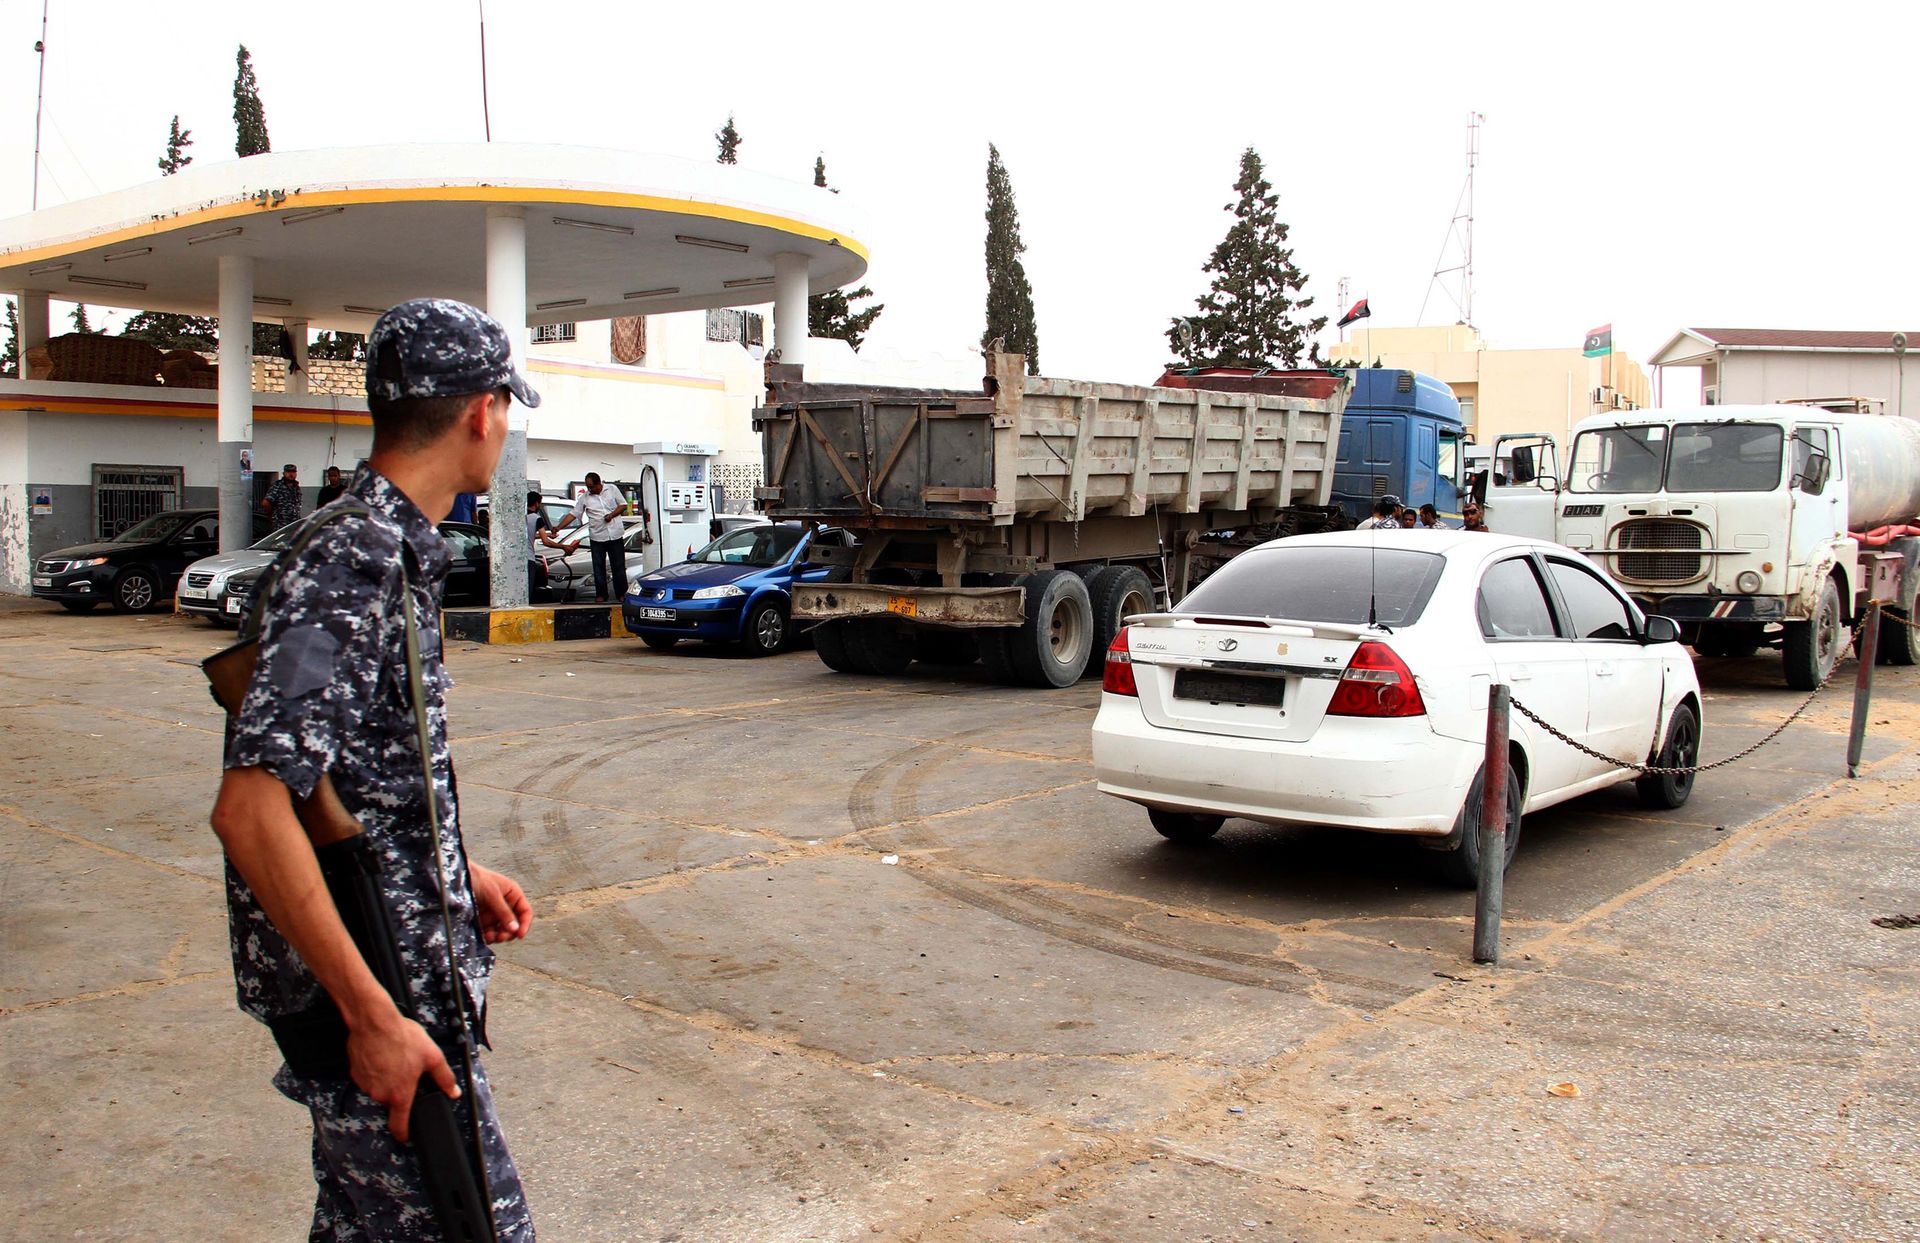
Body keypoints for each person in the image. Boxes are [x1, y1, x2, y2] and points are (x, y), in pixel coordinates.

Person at [209, 298, 540, 1241]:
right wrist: (371, 1017)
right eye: (505, 407)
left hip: (399, 969)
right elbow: (252, 808)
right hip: (385, 999)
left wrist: (450, 870)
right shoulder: (354, 556)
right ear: (480, 411)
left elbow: (348, 780)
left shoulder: (382, 549)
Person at [555, 471, 630, 602]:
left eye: (591, 487)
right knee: (598, 567)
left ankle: (621, 593)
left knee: (618, 566)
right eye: (588, 487)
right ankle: (601, 594)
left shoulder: (612, 489)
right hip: (597, 536)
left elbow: (623, 505)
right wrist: (559, 527)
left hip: (615, 534)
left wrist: (611, 515)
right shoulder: (585, 497)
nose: (590, 490)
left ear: (598, 483)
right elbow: (574, 514)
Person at [527, 489, 576, 601]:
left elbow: (528, 535)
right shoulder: (536, 518)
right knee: (528, 590)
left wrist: (548, 534)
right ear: (536, 503)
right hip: (528, 558)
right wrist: (563, 546)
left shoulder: (520, 516)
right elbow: (546, 542)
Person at [260, 464, 304, 530]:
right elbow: (265, 503)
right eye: (288, 472)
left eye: (293, 472)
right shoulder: (278, 486)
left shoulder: (296, 487)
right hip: (281, 524)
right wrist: (271, 516)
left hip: (294, 523)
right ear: (284, 473)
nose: (291, 474)